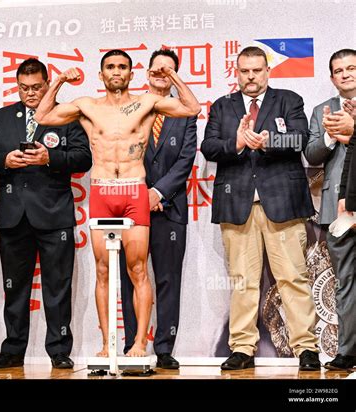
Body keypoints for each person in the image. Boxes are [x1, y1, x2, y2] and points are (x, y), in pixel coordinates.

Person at [34, 49, 200, 357]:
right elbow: (43, 116)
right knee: (102, 269)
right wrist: (57, 81)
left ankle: (139, 343)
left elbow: (192, 108)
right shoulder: (87, 106)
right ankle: (107, 343)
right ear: (101, 74)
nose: (116, 71)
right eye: (110, 67)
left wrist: (171, 74)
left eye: (122, 67)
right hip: (102, 190)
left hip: (134, 190)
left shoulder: (147, 103)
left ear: (130, 73)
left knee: (138, 269)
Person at [201, 46, 320, 371]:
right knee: (242, 281)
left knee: (292, 278)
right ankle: (242, 348)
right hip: (238, 205)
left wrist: (269, 141)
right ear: (236, 72)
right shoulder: (222, 107)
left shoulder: (289, 100)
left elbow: (300, 139)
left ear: (267, 71)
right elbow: (209, 146)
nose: (250, 77)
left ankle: (306, 348)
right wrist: (237, 143)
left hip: (282, 202)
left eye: (256, 70)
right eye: (244, 71)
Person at [0, 58, 92, 370]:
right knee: (13, 288)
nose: (30, 93)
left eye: (36, 88)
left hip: (54, 214)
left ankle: (59, 349)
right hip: (14, 215)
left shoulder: (66, 115)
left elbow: (83, 158)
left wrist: (50, 157)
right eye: (23, 88)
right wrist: (6, 160)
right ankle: (12, 350)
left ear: (48, 85)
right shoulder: (3, 117)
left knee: (57, 287)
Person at [119, 49, 197, 368]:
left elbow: (186, 159)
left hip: (169, 208)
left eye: (168, 70)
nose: (160, 74)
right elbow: (120, 154)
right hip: (130, 207)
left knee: (168, 279)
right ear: (146, 72)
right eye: (155, 69)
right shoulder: (129, 108)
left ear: (176, 76)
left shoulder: (184, 111)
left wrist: (158, 191)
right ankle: (132, 344)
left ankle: (164, 347)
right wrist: (140, 192)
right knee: (131, 278)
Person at [304, 49, 356, 371]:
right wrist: (330, 135)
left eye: (352, 68)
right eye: (339, 70)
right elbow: (311, 153)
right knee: (345, 281)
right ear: (332, 77)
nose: (346, 74)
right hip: (339, 211)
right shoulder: (322, 110)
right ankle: (348, 351)